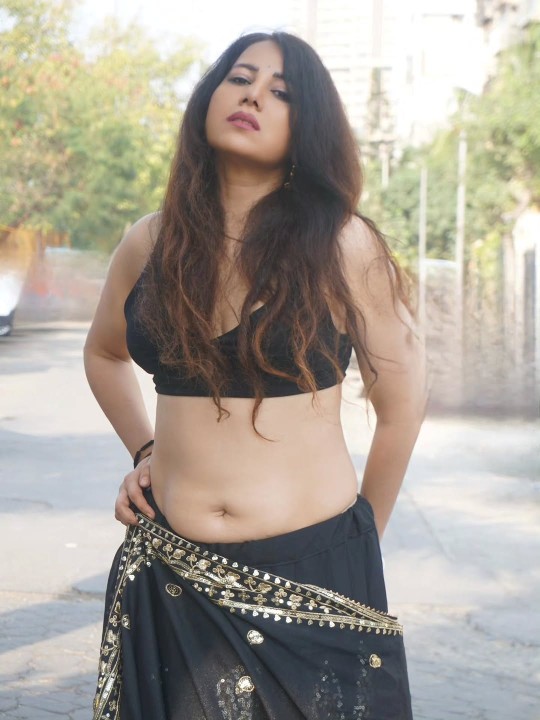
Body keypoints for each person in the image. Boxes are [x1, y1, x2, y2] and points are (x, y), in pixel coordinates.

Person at [84, 30, 426, 720]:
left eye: (281, 92)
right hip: (170, 571)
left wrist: (361, 540)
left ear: (309, 127)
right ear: (209, 98)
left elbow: (401, 407)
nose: (253, 96)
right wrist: (146, 451)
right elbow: (104, 354)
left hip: (308, 576)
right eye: (240, 78)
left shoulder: (342, 244)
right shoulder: (151, 240)